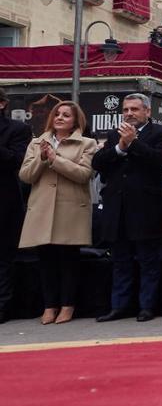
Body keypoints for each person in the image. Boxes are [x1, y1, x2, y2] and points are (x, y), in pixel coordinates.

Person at [93, 93, 162, 322]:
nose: (129, 113)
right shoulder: (113, 135)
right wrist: (120, 147)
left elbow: (160, 161)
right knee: (120, 260)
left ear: (147, 112)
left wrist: (134, 143)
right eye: (126, 109)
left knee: (148, 260)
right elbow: (97, 163)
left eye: (134, 109)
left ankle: (147, 306)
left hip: (146, 208)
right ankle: (119, 306)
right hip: (116, 207)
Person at [17, 101, 94, 325]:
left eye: (66, 115)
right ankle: (49, 306)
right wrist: (42, 158)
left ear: (75, 121)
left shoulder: (86, 143)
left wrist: (55, 159)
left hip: (70, 210)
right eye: (57, 114)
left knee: (68, 261)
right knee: (46, 262)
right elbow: (25, 176)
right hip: (42, 210)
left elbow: (83, 175)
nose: (60, 118)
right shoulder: (36, 142)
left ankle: (67, 305)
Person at [0, 87, 33, 324]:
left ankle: (2, 306)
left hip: (5, 204)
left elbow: (15, 161)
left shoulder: (18, 129)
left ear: (2, 104)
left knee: (3, 260)